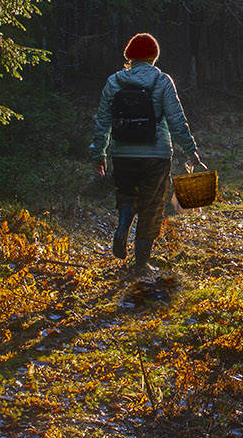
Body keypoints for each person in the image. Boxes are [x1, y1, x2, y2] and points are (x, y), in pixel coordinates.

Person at [87, 33, 206, 276]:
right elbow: (176, 120)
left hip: (121, 153)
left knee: (127, 195)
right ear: (154, 56)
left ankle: (122, 228)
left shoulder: (113, 82)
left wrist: (98, 153)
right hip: (157, 155)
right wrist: (190, 150)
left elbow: (103, 123)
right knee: (152, 207)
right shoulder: (162, 81)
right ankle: (140, 264)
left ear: (129, 56)